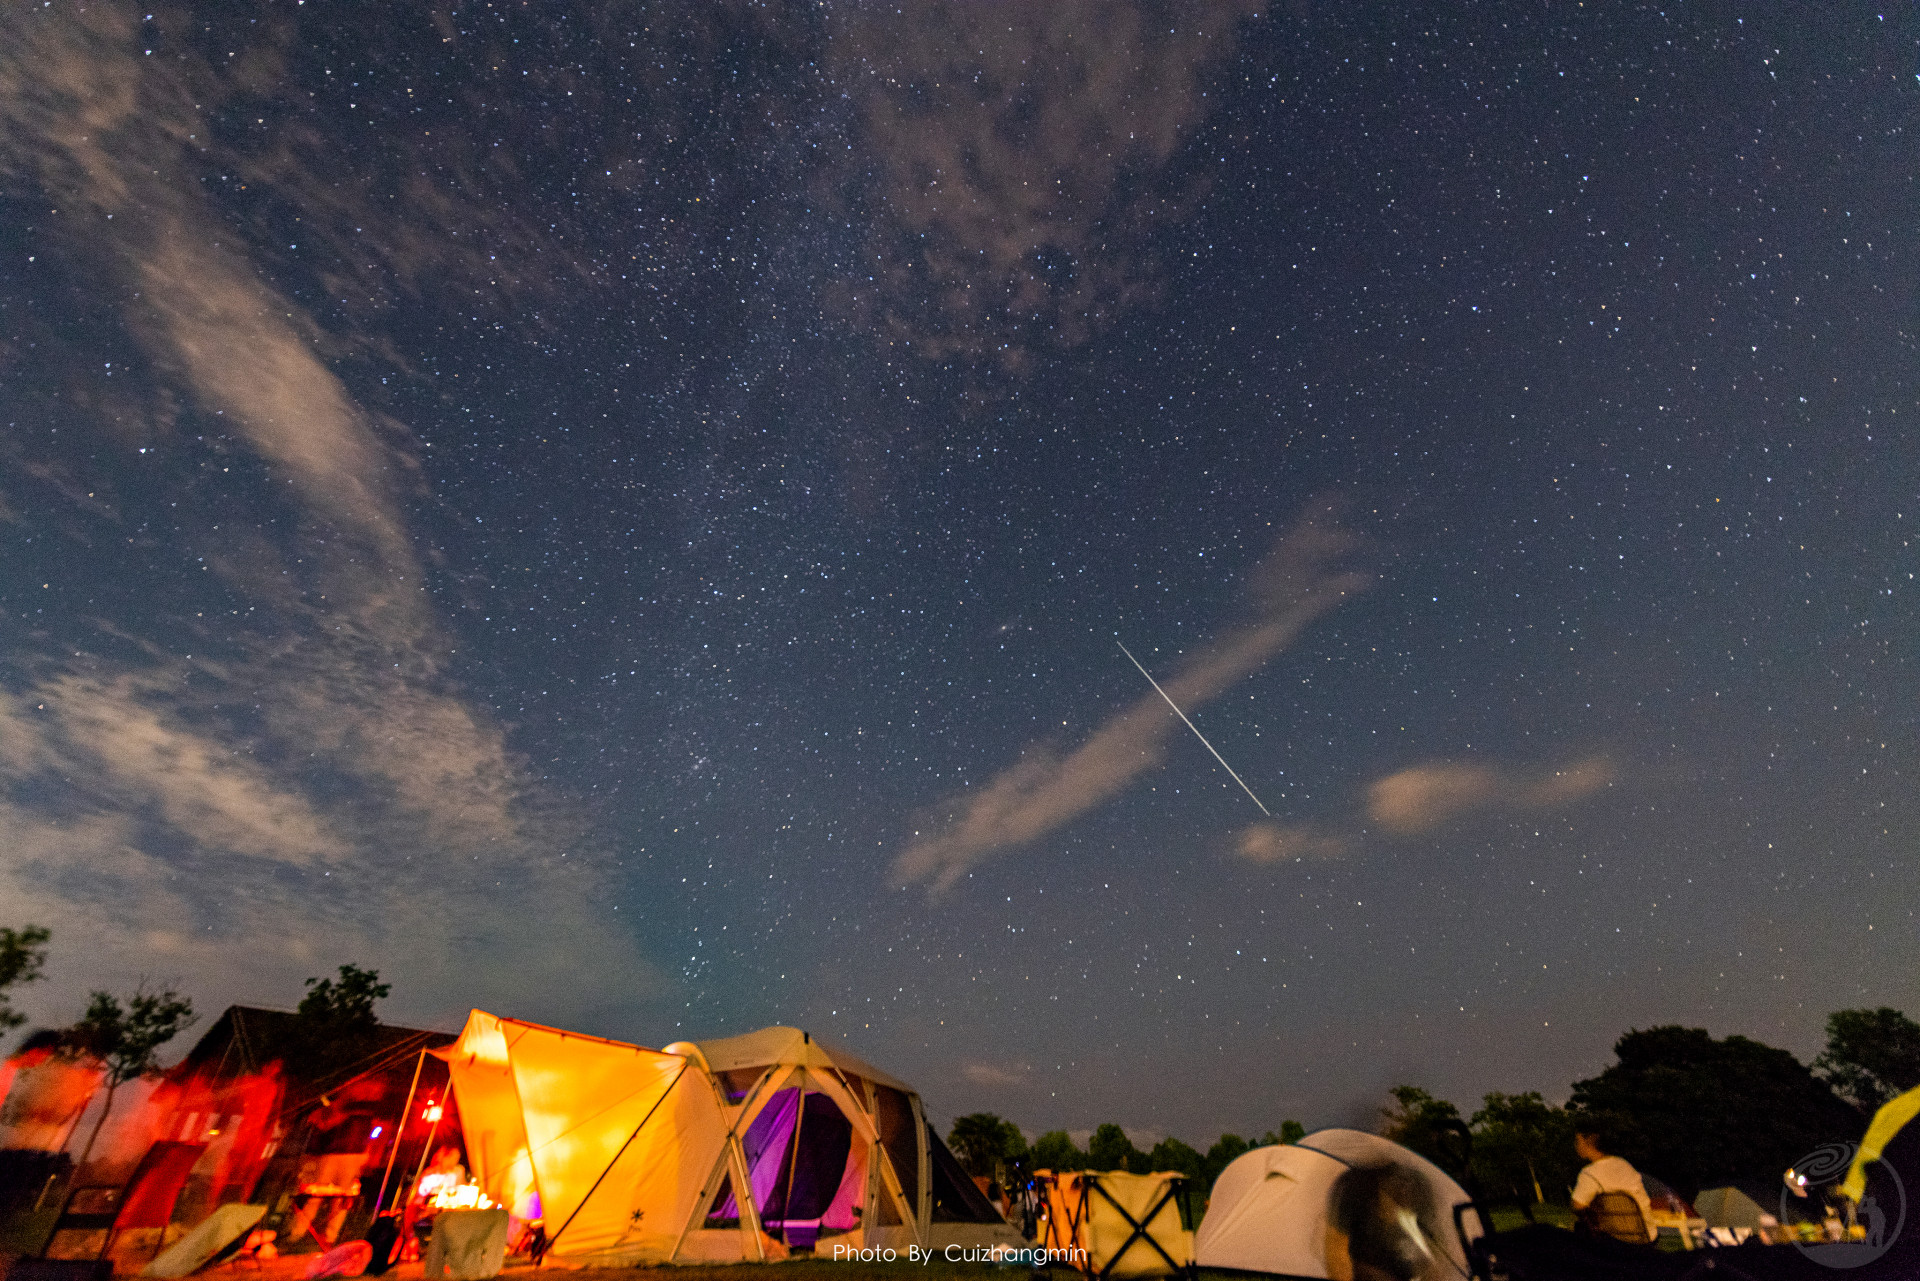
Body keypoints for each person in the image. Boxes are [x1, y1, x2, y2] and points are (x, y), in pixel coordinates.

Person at [1569, 1125, 1655, 1243]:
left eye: (1578, 1141)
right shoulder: (1624, 1164)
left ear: (1588, 1142)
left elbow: (1577, 1206)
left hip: (1615, 1240)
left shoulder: (1590, 1173)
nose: (1575, 1145)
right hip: (1646, 1236)